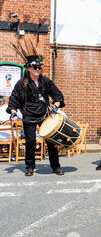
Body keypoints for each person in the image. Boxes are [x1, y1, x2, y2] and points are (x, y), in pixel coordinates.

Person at [7, 38, 65, 176]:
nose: (38, 69)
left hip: (44, 115)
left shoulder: (46, 82)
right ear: (29, 68)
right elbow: (13, 100)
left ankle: (55, 166)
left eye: (39, 67)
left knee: (51, 142)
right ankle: (29, 167)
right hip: (29, 116)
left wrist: (55, 108)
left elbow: (58, 96)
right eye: (35, 67)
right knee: (31, 142)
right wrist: (13, 113)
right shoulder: (22, 83)